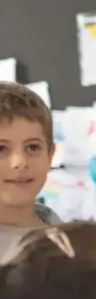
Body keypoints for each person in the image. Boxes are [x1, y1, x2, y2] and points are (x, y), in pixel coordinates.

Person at [0, 82, 60, 259]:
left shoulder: (71, 240)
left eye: (32, 147)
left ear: (50, 155)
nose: (20, 162)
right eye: (1, 149)